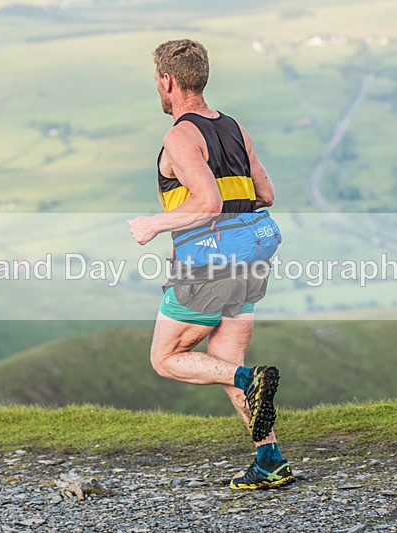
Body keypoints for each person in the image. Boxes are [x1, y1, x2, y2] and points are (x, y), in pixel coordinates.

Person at [127, 39, 294, 490]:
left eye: (157, 80)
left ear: (168, 81)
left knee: (166, 358)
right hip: (249, 263)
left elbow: (209, 202)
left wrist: (154, 224)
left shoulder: (180, 136)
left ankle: (249, 378)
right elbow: (266, 194)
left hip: (207, 268)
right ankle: (270, 460)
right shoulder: (235, 128)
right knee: (223, 360)